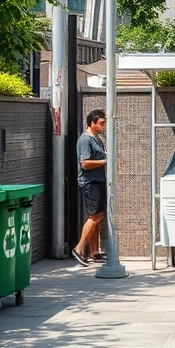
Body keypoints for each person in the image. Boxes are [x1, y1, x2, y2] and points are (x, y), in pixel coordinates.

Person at [72, 110, 107, 267]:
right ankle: (79, 249)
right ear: (92, 123)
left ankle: (94, 251)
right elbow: (85, 163)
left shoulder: (96, 139)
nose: (103, 126)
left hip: (97, 180)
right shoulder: (86, 139)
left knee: (98, 216)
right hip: (90, 182)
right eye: (101, 123)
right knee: (94, 216)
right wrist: (106, 161)